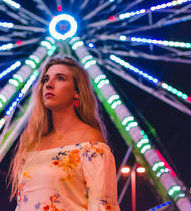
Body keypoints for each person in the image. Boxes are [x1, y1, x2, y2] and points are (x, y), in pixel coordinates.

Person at [9, 57, 120, 211]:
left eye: (60, 78)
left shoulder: (90, 142)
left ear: (77, 92)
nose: (49, 84)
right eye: (45, 79)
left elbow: (102, 205)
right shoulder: (32, 143)